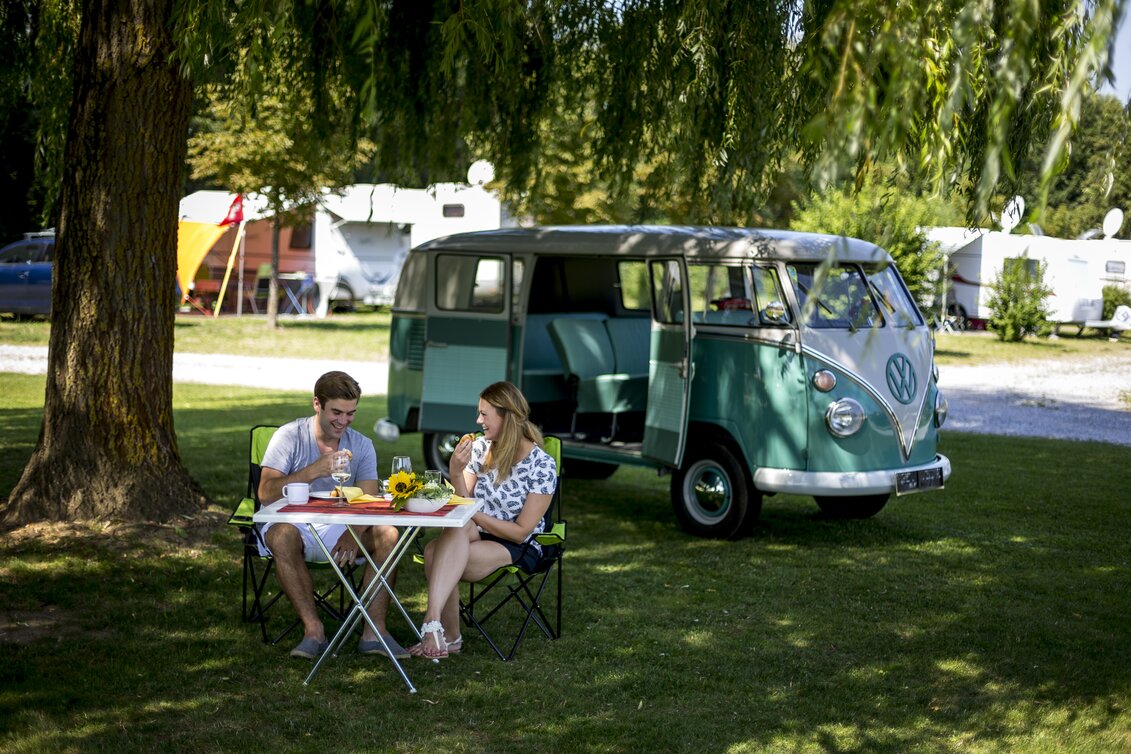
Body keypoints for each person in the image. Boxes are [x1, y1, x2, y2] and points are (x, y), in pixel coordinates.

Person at [257, 370, 409, 660]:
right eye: (336, 412)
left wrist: (354, 531)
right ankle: (313, 631)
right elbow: (265, 493)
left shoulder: (361, 445)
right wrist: (313, 470)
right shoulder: (290, 436)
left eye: (351, 413)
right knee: (280, 534)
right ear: (317, 404)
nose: (343, 421)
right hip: (293, 523)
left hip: (339, 527)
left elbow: (368, 500)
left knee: (389, 533)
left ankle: (374, 633)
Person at [409, 381, 557, 659]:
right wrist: (455, 473)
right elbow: (462, 503)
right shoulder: (480, 449)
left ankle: (443, 633)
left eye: (484, 414)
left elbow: (521, 531)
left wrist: (473, 514)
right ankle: (437, 628)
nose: (478, 421)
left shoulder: (542, 464)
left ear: (506, 416)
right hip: (473, 531)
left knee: (433, 553)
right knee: (458, 527)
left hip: (518, 544)